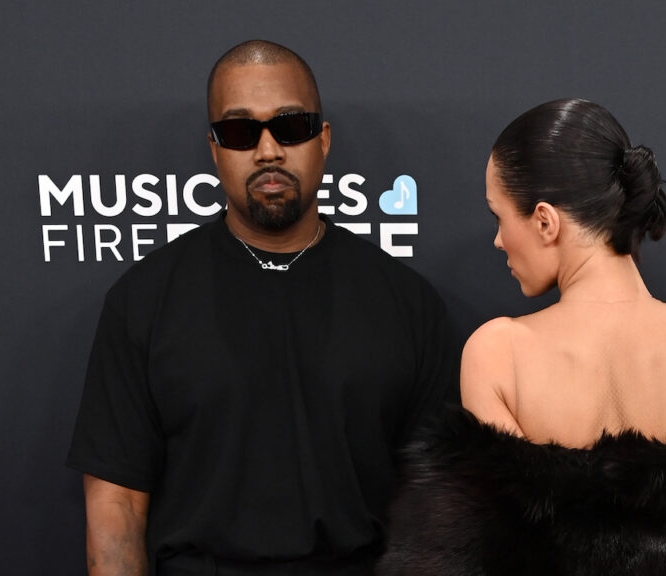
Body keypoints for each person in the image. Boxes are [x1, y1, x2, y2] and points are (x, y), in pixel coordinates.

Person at [376, 99, 666, 575]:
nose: (499, 240)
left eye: (498, 216)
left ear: (545, 221)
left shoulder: (497, 353)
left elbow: (503, 548)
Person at [67, 40, 458, 576]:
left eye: (290, 126)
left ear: (323, 139)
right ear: (214, 149)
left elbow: (438, 505)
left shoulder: (408, 303)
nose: (268, 150)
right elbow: (117, 505)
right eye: (239, 132)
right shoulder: (142, 300)